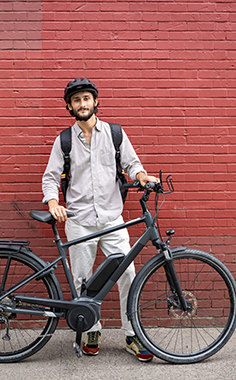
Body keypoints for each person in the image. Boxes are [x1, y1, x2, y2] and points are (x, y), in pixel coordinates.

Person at [42, 78, 158, 362]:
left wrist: (141, 177)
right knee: (83, 281)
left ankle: (132, 333)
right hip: (78, 219)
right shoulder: (64, 140)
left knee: (127, 275)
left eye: (87, 98)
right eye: (77, 100)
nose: (83, 104)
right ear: (70, 106)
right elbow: (50, 177)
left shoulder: (115, 134)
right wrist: (54, 202)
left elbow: (132, 164)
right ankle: (91, 329)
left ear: (95, 102)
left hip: (112, 220)